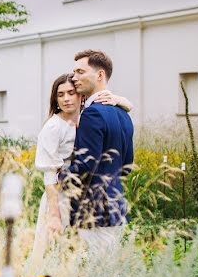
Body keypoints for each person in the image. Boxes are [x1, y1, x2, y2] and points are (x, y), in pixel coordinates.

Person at [32, 73, 132, 257]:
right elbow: (49, 174)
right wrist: (54, 215)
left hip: (84, 198)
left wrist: (118, 99)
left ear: (81, 95)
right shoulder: (53, 127)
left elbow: (127, 106)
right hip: (59, 196)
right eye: (60, 94)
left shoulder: (87, 118)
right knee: (50, 253)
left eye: (71, 92)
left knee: (77, 255)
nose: (66, 98)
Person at [62, 49, 135, 256]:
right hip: (115, 209)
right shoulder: (124, 114)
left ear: (100, 75)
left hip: (93, 212)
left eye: (80, 72)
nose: (74, 78)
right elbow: (126, 166)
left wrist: (61, 175)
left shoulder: (92, 113)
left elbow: (85, 166)